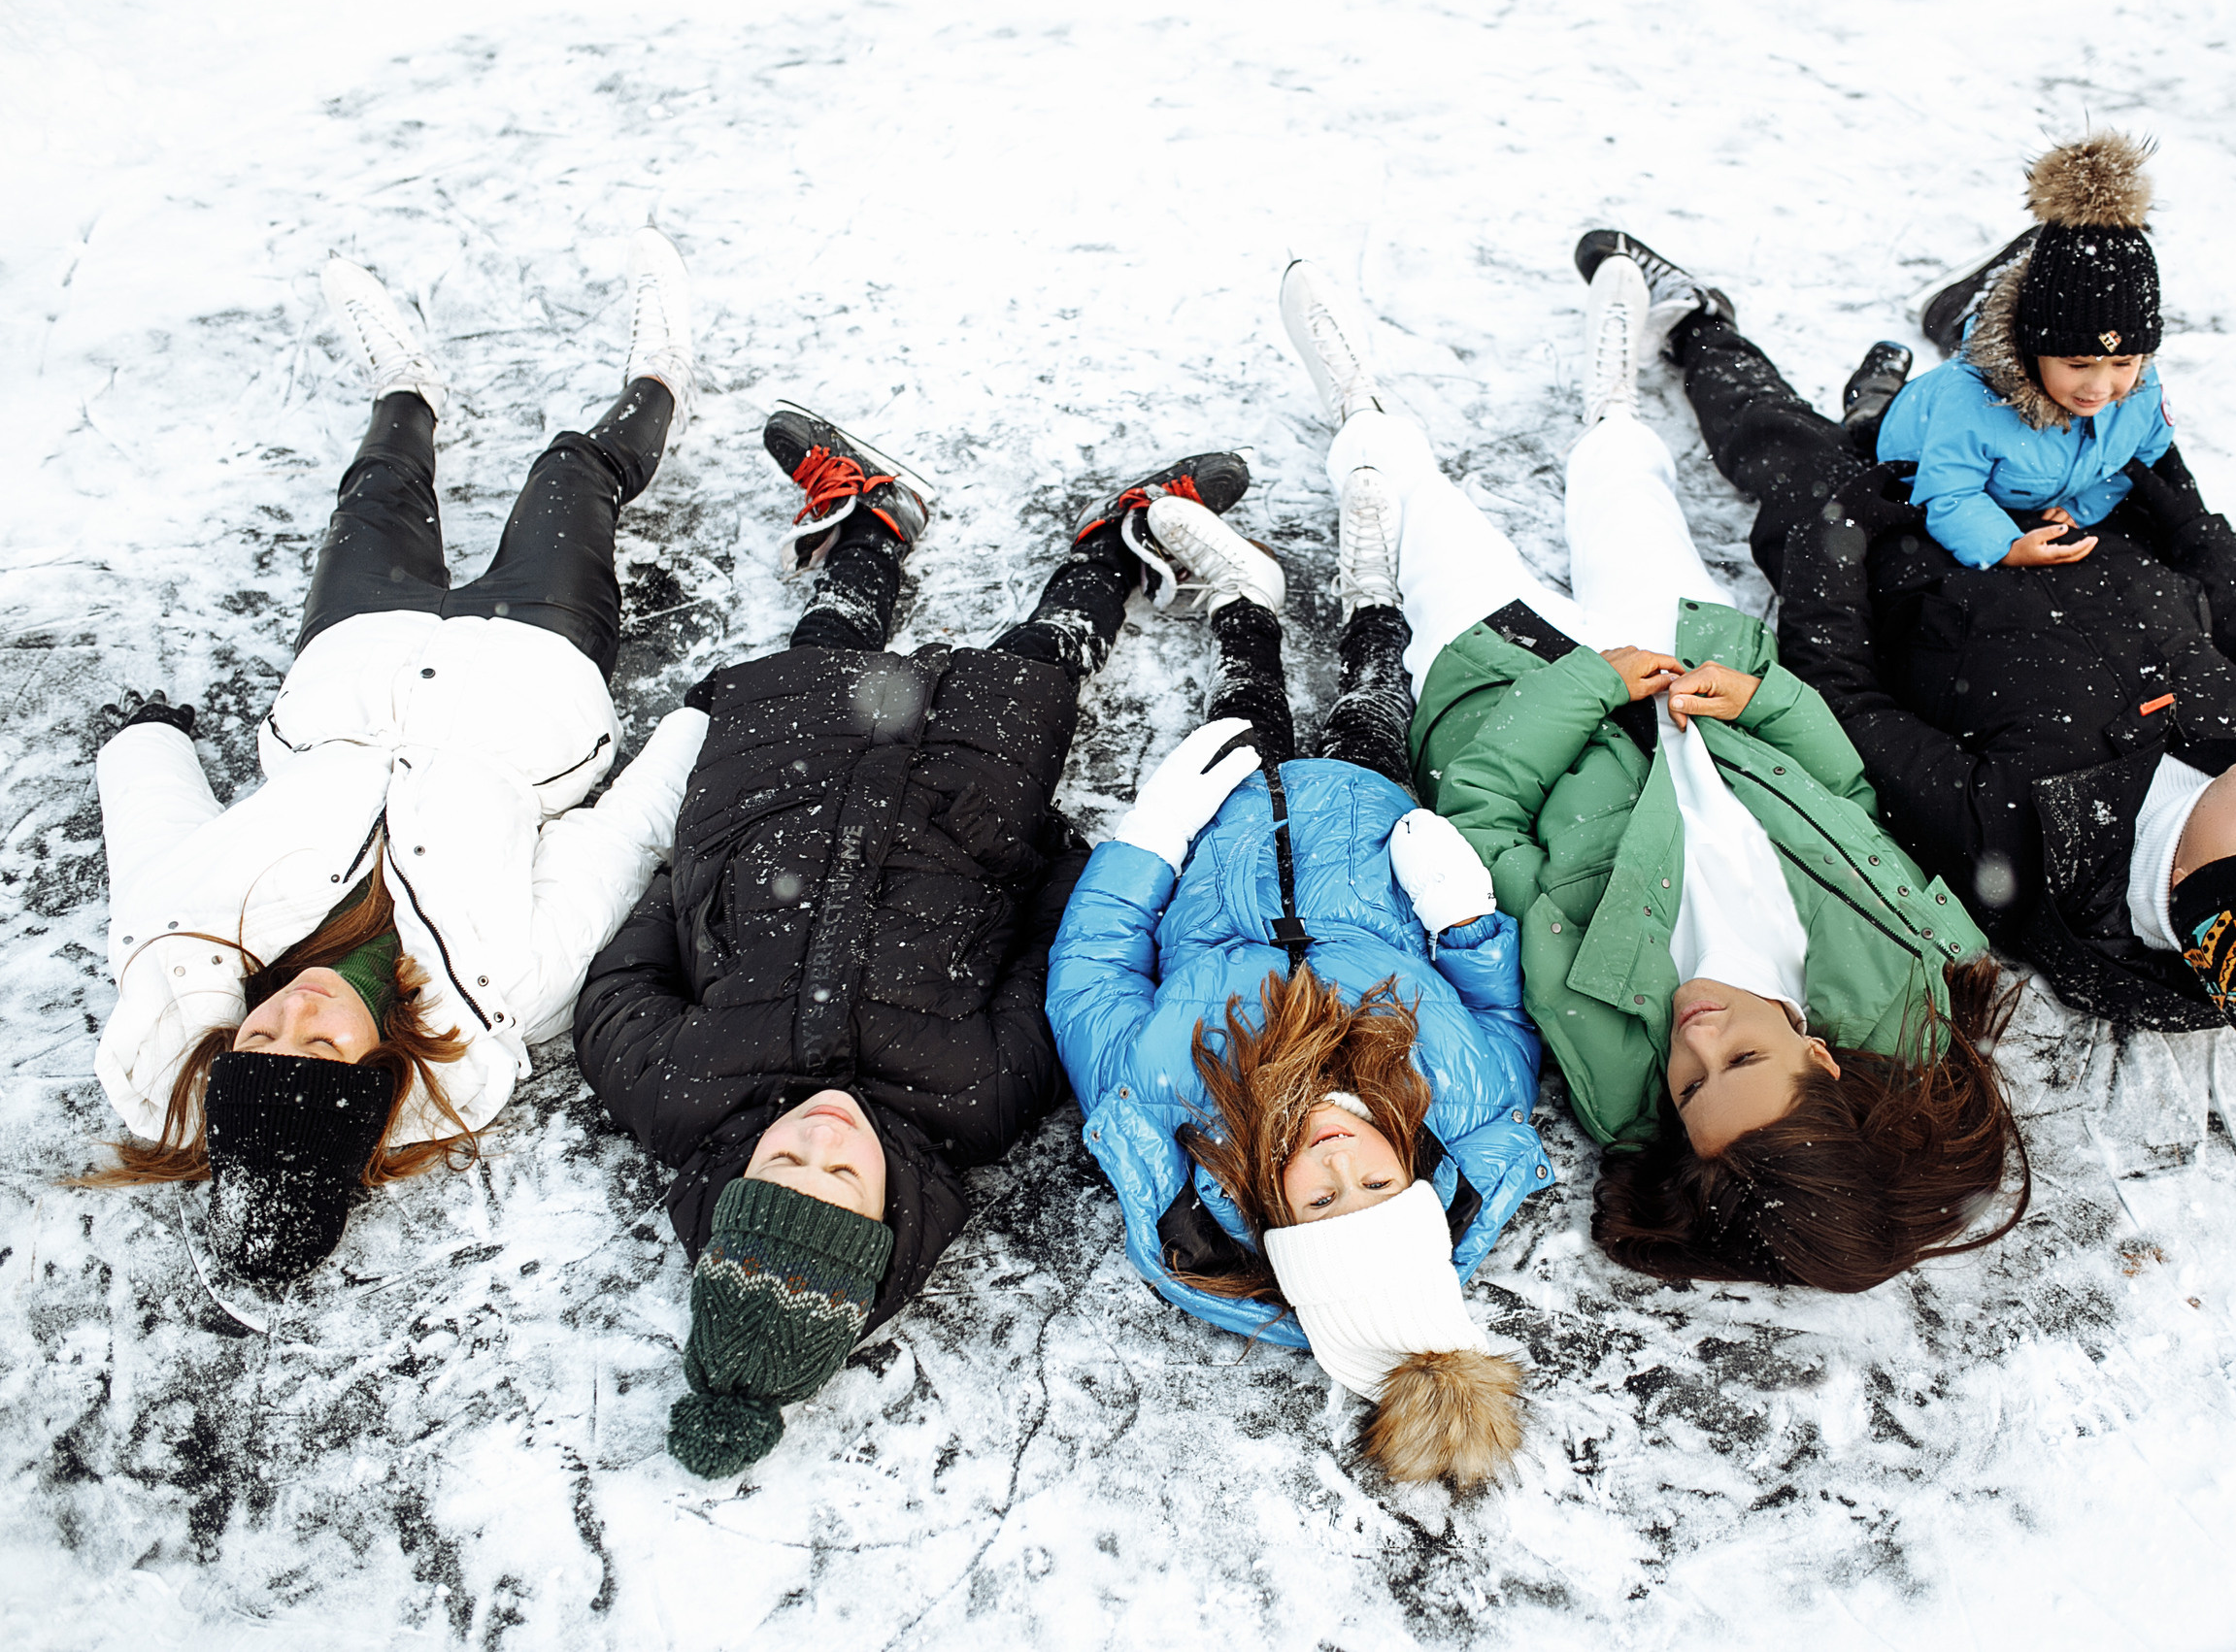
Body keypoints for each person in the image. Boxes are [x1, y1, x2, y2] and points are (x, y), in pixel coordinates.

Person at [1276, 249, 2026, 1298]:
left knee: (1421, 514)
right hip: (1687, 663)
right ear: (1819, 1058)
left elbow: (1482, 818)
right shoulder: (1900, 980)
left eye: (1690, 1087)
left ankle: (1360, 406)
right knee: (1626, 489)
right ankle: (1612, 400)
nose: (1698, 1042)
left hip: (1512, 685)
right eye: (1743, 1061)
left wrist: (1583, 687)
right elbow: (1846, 799)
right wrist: (1764, 701)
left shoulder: (1610, 1050)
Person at [573, 413, 1303, 1479]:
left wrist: (699, 877)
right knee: (1031, 670)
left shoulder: (675, 1091)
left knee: (821, 657)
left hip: (775, 800)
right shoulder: (978, 1099)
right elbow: (1052, 960)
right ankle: (1109, 551)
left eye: (784, 1163)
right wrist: (1040, 851)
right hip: (962, 814)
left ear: (733, 1182)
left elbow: (617, 988)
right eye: (841, 1177)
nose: (820, 1137)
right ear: (887, 1217)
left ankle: (869, 529)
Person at [1651, 225, 2236, 1129]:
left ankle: (1702, 330)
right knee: (2088, 380)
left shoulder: (2022, 835)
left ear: (2186, 876)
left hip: (1908, 559)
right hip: (2081, 513)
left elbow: (1843, 698)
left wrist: (1845, 526)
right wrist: (2173, 500)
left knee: (1796, 455)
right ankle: (1982, 330)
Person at [83, 234, 709, 1288]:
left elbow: (150, 829)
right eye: (323, 1049)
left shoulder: (178, 947)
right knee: (571, 473)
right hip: (532, 677)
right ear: (380, 1069)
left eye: (259, 1043)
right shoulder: (500, 987)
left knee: (376, 488)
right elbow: (615, 843)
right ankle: (658, 380)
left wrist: (143, 738)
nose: (294, 1014)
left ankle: (406, 390)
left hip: (351, 665)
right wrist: (697, 725)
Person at [1044, 448, 1549, 1490]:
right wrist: (1465, 921)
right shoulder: (1464, 1103)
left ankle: (1246, 605)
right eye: (1377, 1184)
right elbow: (1500, 1016)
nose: (1338, 1160)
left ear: (1273, 1217)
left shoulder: (1162, 1112)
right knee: (1374, 706)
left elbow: (1091, 977)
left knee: (1243, 709)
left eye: (1321, 1203)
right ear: (1416, 1178)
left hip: (1220, 846)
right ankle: (1370, 600)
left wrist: (1150, 843)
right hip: (1367, 841)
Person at [1869, 131, 2175, 571]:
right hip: (1914, 450)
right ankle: (1875, 393)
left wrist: (2084, 505)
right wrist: (2005, 546)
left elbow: (2143, 456)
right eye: (2077, 364)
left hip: (2026, 489)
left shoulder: (2141, 396)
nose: (2100, 386)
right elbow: (1950, 493)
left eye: (2123, 362)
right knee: (1862, 430)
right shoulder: (1972, 403)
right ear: (2034, 350)